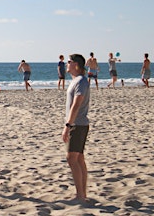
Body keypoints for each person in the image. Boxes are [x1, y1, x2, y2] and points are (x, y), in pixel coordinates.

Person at [61, 54, 90, 203]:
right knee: (78, 158)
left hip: (77, 125)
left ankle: (80, 195)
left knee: (72, 158)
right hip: (77, 124)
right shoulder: (76, 81)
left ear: (76, 64)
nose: (67, 64)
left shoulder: (81, 81)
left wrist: (68, 125)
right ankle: (82, 194)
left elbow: (76, 104)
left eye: (69, 62)